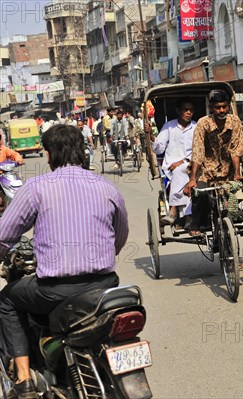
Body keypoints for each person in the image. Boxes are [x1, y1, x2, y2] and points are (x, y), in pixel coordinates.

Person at [0, 124, 128, 398]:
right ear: (82, 149)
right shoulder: (106, 186)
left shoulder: (37, 188)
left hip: (57, 291)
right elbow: (120, 237)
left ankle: (23, 380)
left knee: (7, 300)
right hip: (106, 286)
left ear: (48, 154)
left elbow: (4, 235)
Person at [184, 89, 243, 239]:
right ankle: (196, 224)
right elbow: (198, 151)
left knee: (234, 197)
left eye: (224, 106)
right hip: (206, 171)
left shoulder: (235, 121)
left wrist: (238, 174)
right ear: (212, 108)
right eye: (218, 107)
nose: (222, 110)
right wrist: (192, 179)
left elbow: (237, 149)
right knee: (201, 194)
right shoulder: (203, 123)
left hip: (228, 170)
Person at [149, 98, 196, 226]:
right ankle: (187, 217)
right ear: (178, 111)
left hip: (193, 165)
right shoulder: (169, 126)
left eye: (191, 110)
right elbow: (159, 149)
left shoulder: (196, 127)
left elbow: (199, 150)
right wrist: (151, 136)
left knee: (182, 170)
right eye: (185, 110)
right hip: (171, 167)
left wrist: (183, 161)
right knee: (179, 172)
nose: (189, 113)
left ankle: (174, 208)